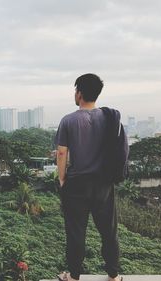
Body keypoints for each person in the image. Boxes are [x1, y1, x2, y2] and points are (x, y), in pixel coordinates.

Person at [55, 73, 124, 281]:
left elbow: (61, 153)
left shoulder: (68, 120)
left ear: (80, 93)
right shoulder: (111, 118)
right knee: (108, 231)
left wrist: (62, 179)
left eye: (75, 90)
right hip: (103, 183)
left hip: (76, 184)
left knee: (76, 231)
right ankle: (113, 275)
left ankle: (74, 276)